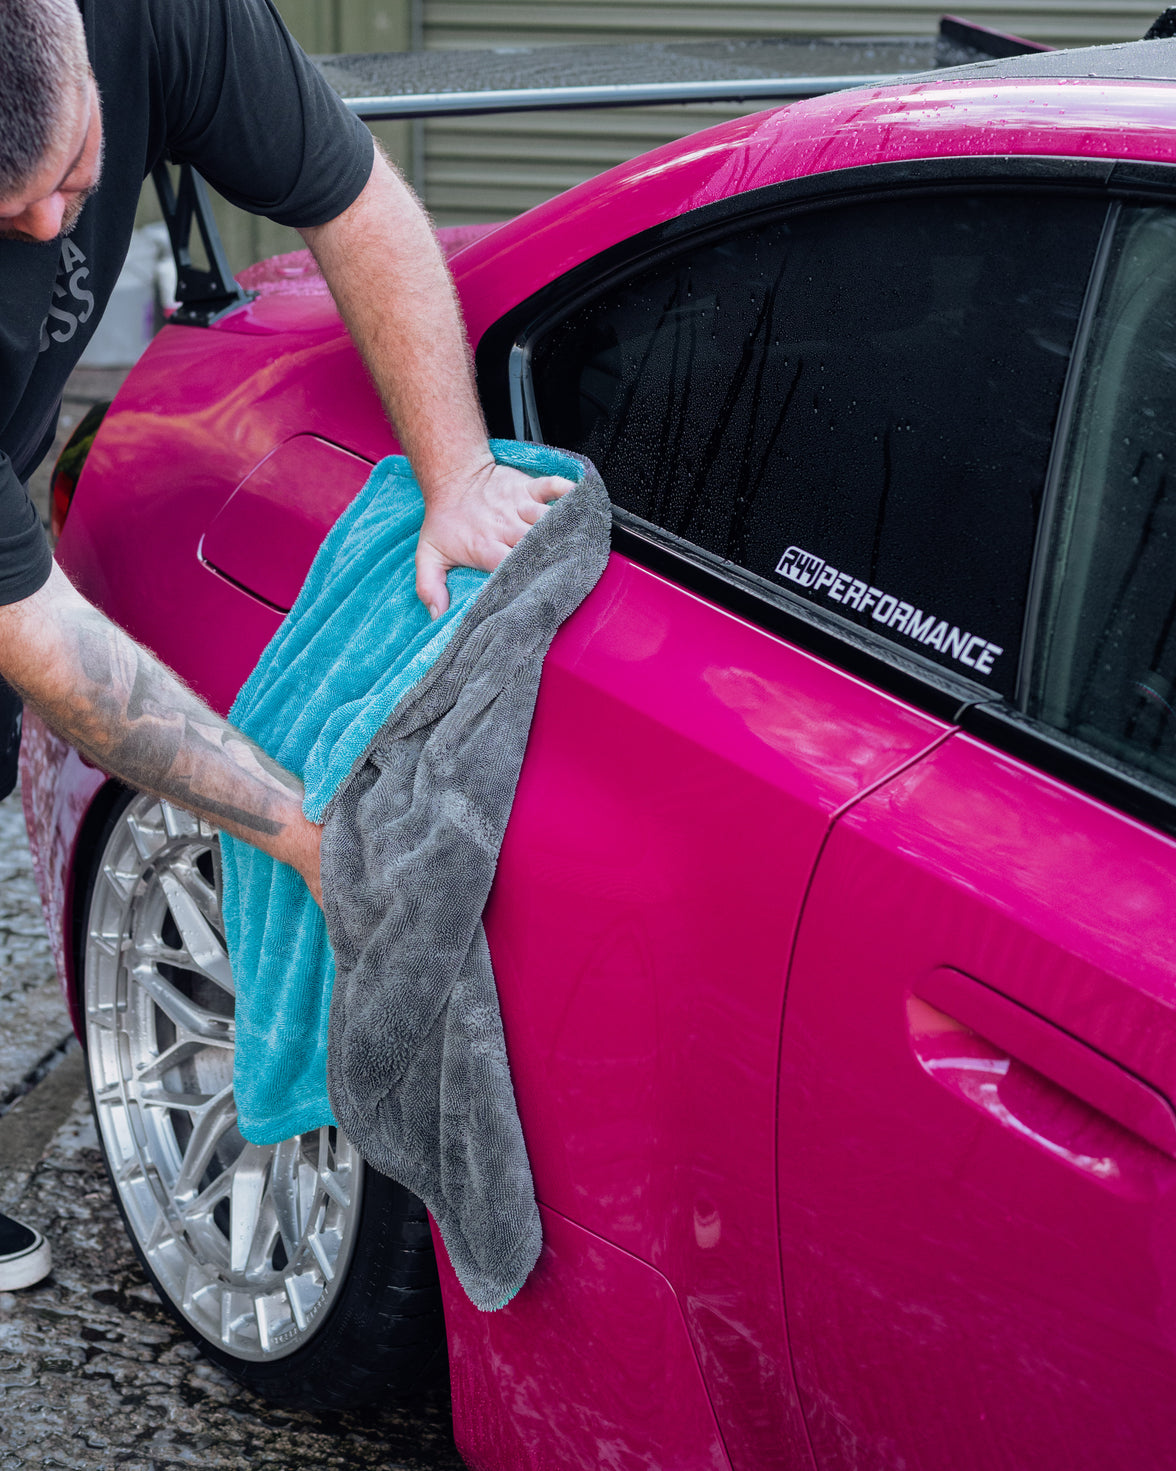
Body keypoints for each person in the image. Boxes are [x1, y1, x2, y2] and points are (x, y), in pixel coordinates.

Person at [0, 0, 572, 1292]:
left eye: (74, 184)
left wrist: (460, 471)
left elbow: (358, 204)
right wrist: (298, 828)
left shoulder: (166, 17)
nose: (48, 229)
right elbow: (41, 640)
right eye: (7, 208)